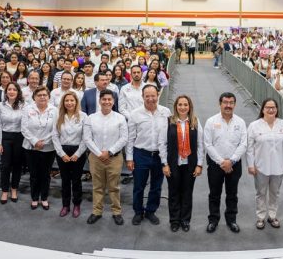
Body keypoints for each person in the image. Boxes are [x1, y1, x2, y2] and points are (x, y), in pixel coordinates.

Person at [126, 84, 171, 225]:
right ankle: (138, 212)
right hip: (141, 154)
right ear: (142, 97)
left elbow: (170, 136)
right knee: (139, 186)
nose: (151, 99)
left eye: (153, 96)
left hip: (159, 155)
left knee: (156, 186)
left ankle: (151, 211)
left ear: (158, 95)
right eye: (147, 96)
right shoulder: (135, 114)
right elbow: (130, 138)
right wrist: (129, 158)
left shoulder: (166, 112)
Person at [159, 95, 204, 232]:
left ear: (189, 107)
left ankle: (185, 220)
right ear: (176, 107)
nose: (183, 107)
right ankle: (174, 220)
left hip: (190, 164)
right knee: (173, 193)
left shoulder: (195, 122)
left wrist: (199, 164)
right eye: (180, 105)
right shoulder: (168, 122)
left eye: (185, 104)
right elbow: (162, 144)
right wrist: (164, 163)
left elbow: (200, 144)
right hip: (173, 163)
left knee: (187, 193)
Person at [203, 92, 247, 233]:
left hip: (235, 165)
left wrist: (232, 160)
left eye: (231, 102)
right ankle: (213, 220)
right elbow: (208, 144)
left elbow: (243, 144)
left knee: (232, 194)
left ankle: (231, 220)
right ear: (220, 104)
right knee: (214, 194)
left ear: (234, 104)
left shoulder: (240, 122)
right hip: (216, 165)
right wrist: (222, 162)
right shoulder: (211, 121)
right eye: (225, 102)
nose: (228, 105)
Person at [246, 98, 283, 229]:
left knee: (275, 192)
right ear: (263, 109)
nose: (271, 110)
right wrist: (250, 164)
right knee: (261, 192)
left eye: (273, 107)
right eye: (268, 107)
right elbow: (249, 147)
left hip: (279, 165)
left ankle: (272, 215)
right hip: (261, 166)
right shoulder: (254, 125)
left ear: (277, 109)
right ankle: (260, 217)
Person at [84, 91, 128, 225]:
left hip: (114, 158)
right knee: (97, 186)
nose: (107, 102)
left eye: (110, 99)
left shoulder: (120, 118)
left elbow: (124, 138)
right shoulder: (91, 118)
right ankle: (97, 211)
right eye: (104, 99)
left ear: (113, 102)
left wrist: (109, 152)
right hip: (96, 158)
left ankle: (116, 212)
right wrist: (99, 153)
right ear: (100, 101)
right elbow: (87, 138)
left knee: (114, 187)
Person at [52, 91, 88, 218]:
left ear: (76, 102)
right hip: (63, 152)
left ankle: (77, 204)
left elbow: (86, 138)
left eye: (72, 100)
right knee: (65, 180)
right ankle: (65, 205)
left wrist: (78, 153)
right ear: (63, 102)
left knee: (76, 180)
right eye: (66, 101)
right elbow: (55, 136)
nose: (69, 103)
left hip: (79, 151)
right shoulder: (59, 116)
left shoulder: (83, 116)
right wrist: (61, 154)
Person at [22, 86, 57, 210]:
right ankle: (35, 198)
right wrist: (35, 141)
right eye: (39, 95)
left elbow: (56, 129)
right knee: (34, 174)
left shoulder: (55, 110)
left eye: (44, 95)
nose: (42, 97)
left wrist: (45, 142)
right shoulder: (27, 109)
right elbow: (24, 128)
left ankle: (44, 198)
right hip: (31, 147)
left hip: (49, 148)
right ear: (34, 97)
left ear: (48, 97)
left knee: (46, 174)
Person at [0, 82, 25, 204]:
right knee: (5, 166)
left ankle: (14, 189)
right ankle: (5, 190)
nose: (11, 91)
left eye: (14, 89)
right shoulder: (1, 106)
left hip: (20, 137)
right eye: (9, 89)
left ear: (18, 92)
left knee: (17, 165)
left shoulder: (24, 105)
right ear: (6, 92)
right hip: (5, 137)